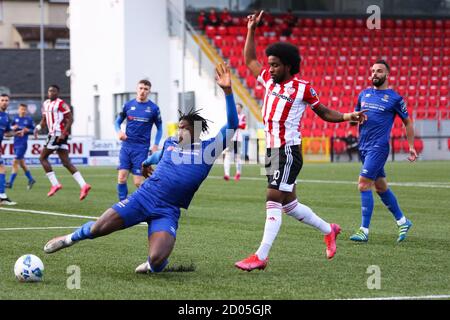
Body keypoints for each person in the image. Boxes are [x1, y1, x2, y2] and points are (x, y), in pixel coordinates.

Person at [43, 63, 239, 274]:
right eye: (179, 127)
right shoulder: (171, 143)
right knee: (98, 229)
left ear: (196, 131)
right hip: (144, 197)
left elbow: (232, 124)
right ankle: (68, 239)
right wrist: (146, 163)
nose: (179, 131)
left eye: (184, 128)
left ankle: (151, 263)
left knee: (156, 262)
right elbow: (158, 155)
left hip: (168, 210)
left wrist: (227, 91)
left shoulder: (209, 149)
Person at [234, 11, 367, 272]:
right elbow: (249, 59)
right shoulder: (269, 82)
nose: (270, 69)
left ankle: (261, 256)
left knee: (273, 196)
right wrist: (251, 29)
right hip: (271, 149)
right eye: (269, 64)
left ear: (288, 66)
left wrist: (348, 116)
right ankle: (330, 230)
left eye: (275, 65)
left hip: (288, 150)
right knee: (290, 205)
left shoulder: (302, 88)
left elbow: (324, 112)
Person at [349, 60, 416, 243]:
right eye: (372, 71)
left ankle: (364, 230)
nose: (374, 74)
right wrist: (355, 118)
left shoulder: (394, 98)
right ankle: (403, 221)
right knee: (380, 187)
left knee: (363, 184)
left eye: (379, 71)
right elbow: (353, 119)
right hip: (363, 146)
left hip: (378, 147)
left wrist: (411, 146)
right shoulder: (363, 94)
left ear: (387, 75)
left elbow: (407, 122)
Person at [34, 85, 91, 200]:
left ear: (58, 92)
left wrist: (64, 132)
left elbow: (71, 119)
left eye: (54, 91)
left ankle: (55, 184)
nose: (51, 93)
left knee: (42, 158)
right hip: (57, 135)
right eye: (50, 91)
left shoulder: (61, 104)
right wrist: (38, 128)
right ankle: (84, 185)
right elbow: (45, 119)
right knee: (66, 162)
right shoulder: (45, 104)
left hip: (57, 134)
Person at [114, 79, 163, 201]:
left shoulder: (153, 108)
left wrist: (156, 144)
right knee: (121, 178)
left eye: (146, 89)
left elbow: (160, 128)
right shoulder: (128, 105)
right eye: (140, 88)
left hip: (141, 149)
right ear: (137, 89)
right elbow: (117, 122)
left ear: (149, 91)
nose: (142, 91)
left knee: (138, 182)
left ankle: (152, 201)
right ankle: (122, 206)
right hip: (126, 147)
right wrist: (119, 132)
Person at [6, 103, 36, 190]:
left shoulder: (29, 119)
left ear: (26, 111)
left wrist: (28, 130)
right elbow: (10, 129)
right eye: (21, 109)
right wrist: (13, 127)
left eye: (24, 109)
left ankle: (10, 183)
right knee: (22, 164)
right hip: (15, 143)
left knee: (15, 162)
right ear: (18, 109)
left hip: (23, 144)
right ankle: (31, 179)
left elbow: (34, 130)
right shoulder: (15, 119)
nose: (23, 111)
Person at [0, 94, 17, 205]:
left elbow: (7, 132)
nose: (4, 102)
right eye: (2, 100)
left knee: (1, 168)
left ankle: (2, 196)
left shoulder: (6, 116)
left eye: (6, 100)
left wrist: (15, 133)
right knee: (1, 168)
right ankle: (2, 195)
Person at [224, 102, 246, 181]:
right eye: (236, 108)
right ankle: (226, 174)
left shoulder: (243, 116)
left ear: (241, 109)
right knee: (228, 156)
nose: (237, 109)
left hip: (238, 139)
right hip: (230, 139)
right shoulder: (231, 116)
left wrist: (235, 125)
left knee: (237, 157)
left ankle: (238, 173)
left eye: (238, 108)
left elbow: (243, 126)